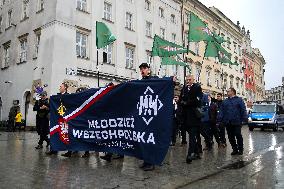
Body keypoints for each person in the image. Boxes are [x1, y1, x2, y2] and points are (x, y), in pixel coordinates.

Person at [180, 75, 203, 164]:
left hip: (194, 116)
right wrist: (182, 102)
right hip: (186, 116)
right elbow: (181, 99)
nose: (188, 81)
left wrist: (187, 103)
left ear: (193, 80)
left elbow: (197, 100)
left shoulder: (197, 87)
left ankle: (190, 154)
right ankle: (197, 152)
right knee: (191, 135)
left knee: (192, 136)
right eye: (187, 80)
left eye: (190, 80)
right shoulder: (184, 88)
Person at [218, 88, 247, 155]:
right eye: (227, 91)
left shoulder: (239, 100)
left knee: (238, 135)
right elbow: (221, 111)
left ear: (233, 92)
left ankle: (240, 149)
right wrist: (219, 120)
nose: (227, 92)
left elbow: (243, 109)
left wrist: (244, 119)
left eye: (228, 91)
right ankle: (235, 149)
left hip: (237, 121)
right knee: (230, 137)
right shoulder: (225, 101)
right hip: (228, 122)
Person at [46, 83, 69, 155]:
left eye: (61, 87)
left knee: (66, 135)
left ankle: (69, 151)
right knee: (54, 133)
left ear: (65, 88)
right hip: (56, 118)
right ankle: (54, 149)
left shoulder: (68, 96)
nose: (59, 88)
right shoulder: (57, 96)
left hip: (64, 119)